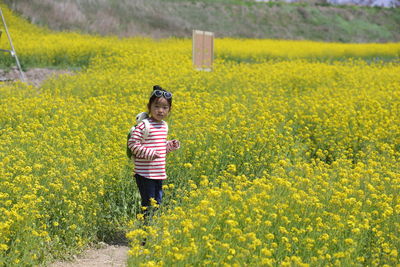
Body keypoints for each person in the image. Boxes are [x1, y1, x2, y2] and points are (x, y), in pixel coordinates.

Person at [128, 85, 180, 221]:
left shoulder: (164, 126)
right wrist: (150, 153)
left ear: (169, 110)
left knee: (157, 202)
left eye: (165, 108)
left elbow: (160, 148)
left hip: (158, 173)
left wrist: (169, 146)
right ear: (149, 107)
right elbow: (133, 145)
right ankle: (144, 234)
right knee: (148, 203)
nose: (160, 111)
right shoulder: (144, 125)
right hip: (144, 174)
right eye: (156, 106)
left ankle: (150, 230)